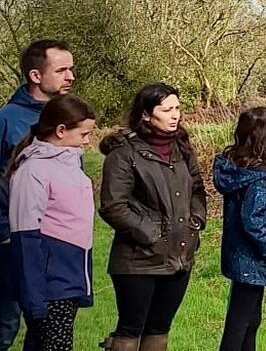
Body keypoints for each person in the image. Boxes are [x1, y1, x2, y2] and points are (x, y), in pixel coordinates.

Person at [98, 83, 207, 351]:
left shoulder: (182, 148)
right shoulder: (124, 153)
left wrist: (196, 223)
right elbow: (114, 205)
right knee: (130, 329)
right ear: (146, 114)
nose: (175, 115)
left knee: (159, 329)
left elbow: (197, 189)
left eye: (178, 108)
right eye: (166, 109)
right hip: (138, 260)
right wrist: (151, 234)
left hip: (180, 257)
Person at [0, 40, 75, 350]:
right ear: (35, 75)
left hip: (56, 242)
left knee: (46, 325)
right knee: (5, 322)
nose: (70, 76)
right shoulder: (7, 120)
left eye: (71, 69)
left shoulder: (70, 118)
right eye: (61, 70)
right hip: (11, 238)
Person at [5, 94, 96, 351]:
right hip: (49, 285)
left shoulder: (71, 165)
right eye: (83, 134)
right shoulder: (32, 171)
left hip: (68, 279)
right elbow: (24, 235)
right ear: (60, 130)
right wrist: (34, 295)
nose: (87, 141)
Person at [213, 106, 266, 351]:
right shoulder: (257, 178)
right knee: (240, 323)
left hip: (240, 256)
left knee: (248, 320)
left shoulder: (236, 170)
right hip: (253, 258)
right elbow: (255, 222)